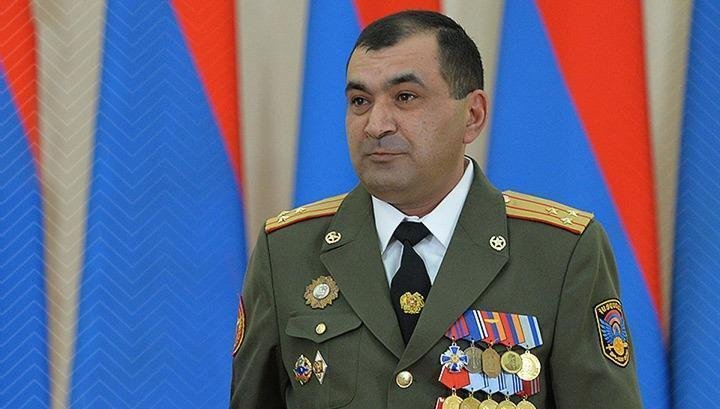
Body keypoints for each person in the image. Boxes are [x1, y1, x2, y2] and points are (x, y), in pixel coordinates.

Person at [230, 10, 642, 409]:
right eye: (359, 101)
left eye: (405, 97)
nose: (375, 125)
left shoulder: (560, 252)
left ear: (473, 116)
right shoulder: (286, 251)